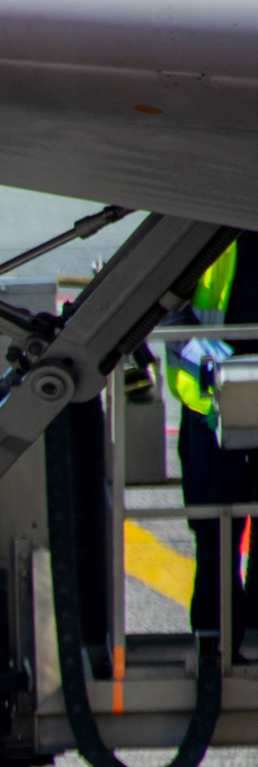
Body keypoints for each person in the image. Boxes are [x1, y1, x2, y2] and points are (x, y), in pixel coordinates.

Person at [165, 235, 258, 661]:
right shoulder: (205, 225)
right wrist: (206, 360)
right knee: (217, 535)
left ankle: (235, 642)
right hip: (212, 405)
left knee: (219, 533)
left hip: (219, 400)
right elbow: (164, 306)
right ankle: (216, 650)